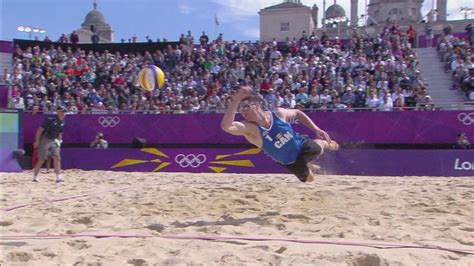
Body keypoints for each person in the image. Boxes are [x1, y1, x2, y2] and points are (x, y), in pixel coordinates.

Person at [221, 86, 339, 183]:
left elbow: (297, 113)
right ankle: (309, 166)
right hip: (290, 162)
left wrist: (316, 129)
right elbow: (226, 126)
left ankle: (326, 143)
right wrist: (237, 99)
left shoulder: (277, 113)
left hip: (301, 146)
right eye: (241, 109)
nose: (243, 111)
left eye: (246, 107)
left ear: (257, 106)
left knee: (316, 148)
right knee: (310, 179)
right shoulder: (251, 129)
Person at [32, 106, 67, 182]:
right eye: (61, 111)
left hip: (55, 140)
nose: (63, 113)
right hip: (46, 139)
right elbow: (40, 130)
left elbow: (60, 133)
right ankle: (35, 176)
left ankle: (58, 177)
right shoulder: (50, 119)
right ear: (57, 112)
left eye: (64, 112)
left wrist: (59, 142)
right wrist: (37, 141)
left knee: (57, 157)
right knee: (42, 159)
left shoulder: (63, 121)